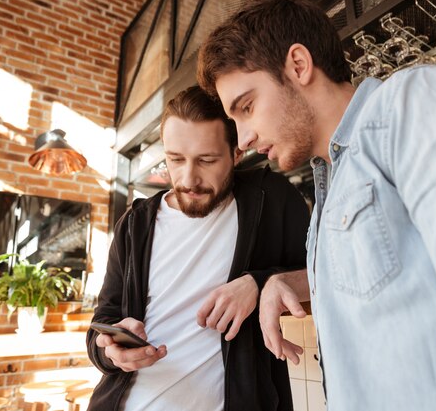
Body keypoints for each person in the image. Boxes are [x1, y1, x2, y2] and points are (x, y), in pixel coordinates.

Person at [197, 0, 436, 410]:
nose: (242, 139)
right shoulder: (330, 188)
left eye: (246, 107)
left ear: (298, 65)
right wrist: (287, 281)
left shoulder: (415, 103)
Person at [86, 85, 310, 411]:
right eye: (175, 160)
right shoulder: (134, 225)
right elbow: (101, 322)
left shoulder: (272, 199)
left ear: (237, 153)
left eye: (206, 160)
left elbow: (324, 280)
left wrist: (259, 285)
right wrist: (111, 352)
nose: (189, 178)